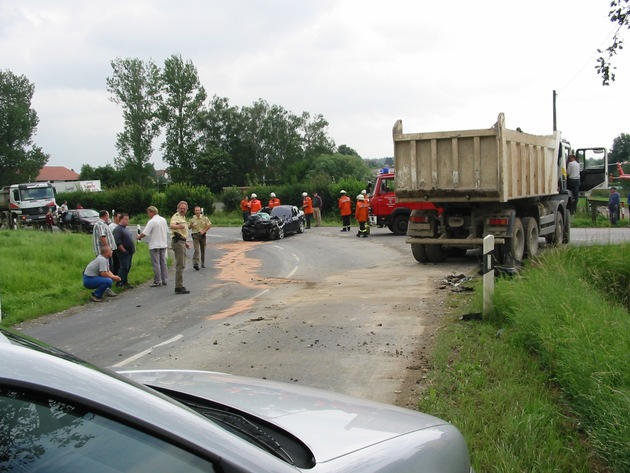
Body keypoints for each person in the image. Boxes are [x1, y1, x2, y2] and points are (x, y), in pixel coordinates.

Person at [137, 206, 169, 287]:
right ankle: (165, 279)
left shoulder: (152, 221)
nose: (148, 214)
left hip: (155, 245)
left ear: (152, 212)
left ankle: (157, 281)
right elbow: (166, 230)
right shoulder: (163, 219)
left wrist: (139, 237)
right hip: (163, 244)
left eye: (148, 213)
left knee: (156, 263)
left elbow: (145, 233)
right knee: (163, 263)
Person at [92, 211, 118, 298]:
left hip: (106, 253)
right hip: (103, 253)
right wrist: (107, 249)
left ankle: (106, 288)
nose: (108, 217)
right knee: (105, 271)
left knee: (108, 269)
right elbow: (102, 237)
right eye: (108, 215)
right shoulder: (100, 224)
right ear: (106, 215)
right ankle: (105, 289)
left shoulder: (103, 224)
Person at [170, 201, 191, 294]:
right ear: (178, 208)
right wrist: (179, 226)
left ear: (186, 210)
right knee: (180, 265)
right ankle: (178, 287)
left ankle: (179, 285)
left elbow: (182, 233)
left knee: (182, 264)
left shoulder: (183, 217)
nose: (182, 210)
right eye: (181, 208)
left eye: (184, 208)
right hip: (178, 242)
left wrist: (185, 242)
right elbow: (171, 225)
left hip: (181, 241)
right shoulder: (176, 216)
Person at [113, 213, 136, 289]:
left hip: (129, 252)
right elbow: (117, 241)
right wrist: (123, 250)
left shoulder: (125, 228)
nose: (127, 221)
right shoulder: (118, 229)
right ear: (121, 219)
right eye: (125, 219)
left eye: (128, 219)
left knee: (128, 267)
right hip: (123, 252)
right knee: (124, 267)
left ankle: (124, 281)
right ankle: (119, 282)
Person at [189, 205, 212, 270]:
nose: (197, 211)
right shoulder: (192, 219)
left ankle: (202, 263)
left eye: (198, 210)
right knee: (196, 249)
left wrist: (204, 230)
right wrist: (191, 225)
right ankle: (195, 263)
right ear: (194, 211)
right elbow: (188, 227)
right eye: (196, 210)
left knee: (203, 249)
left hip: (202, 235)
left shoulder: (205, 218)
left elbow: (209, 225)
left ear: (200, 211)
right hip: (195, 235)